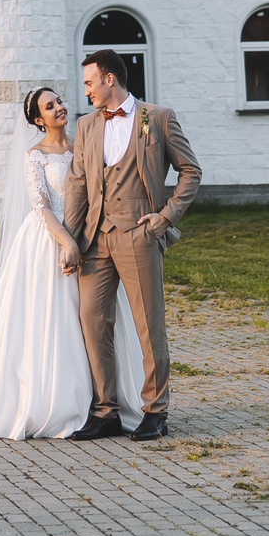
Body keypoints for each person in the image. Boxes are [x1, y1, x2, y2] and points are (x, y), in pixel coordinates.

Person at [63, 49, 201, 441]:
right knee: (92, 322)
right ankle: (106, 410)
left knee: (147, 325)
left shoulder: (156, 118)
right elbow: (77, 185)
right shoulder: (87, 125)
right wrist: (72, 241)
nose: (85, 90)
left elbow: (191, 170)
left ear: (110, 79)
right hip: (95, 238)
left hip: (139, 234)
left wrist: (166, 215)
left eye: (90, 82)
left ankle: (156, 411)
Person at [0, 87, 101, 439]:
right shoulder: (35, 155)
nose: (59, 108)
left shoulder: (83, 147)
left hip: (87, 236)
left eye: (60, 101)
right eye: (50, 107)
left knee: (91, 314)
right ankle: (50, 401)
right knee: (51, 317)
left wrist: (83, 239)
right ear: (38, 119)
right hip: (47, 241)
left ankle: (103, 400)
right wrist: (67, 243)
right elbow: (42, 206)